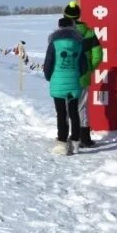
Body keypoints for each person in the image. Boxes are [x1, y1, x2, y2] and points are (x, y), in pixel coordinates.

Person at [43, 17, 88, 155]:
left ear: (59, 27)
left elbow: (48, 62)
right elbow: (84, 66)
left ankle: (62, 143)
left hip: (58, 82)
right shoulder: (79, 43)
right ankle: (75, 142)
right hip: (74, 82)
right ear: (73, 27)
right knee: (74, 112)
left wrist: (49, 77)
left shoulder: (54, 43)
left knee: (61, 114)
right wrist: (77, 75)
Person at [62, 0, 102, 148]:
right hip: (83, 77)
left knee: (65, 107)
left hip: (65, 77)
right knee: (82, 108)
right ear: (79, 16)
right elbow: (98, 55)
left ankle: (65, 137)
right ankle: (84, 138)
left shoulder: (60, 34)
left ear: (65, 16)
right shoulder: (90, 32)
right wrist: (89, 69)